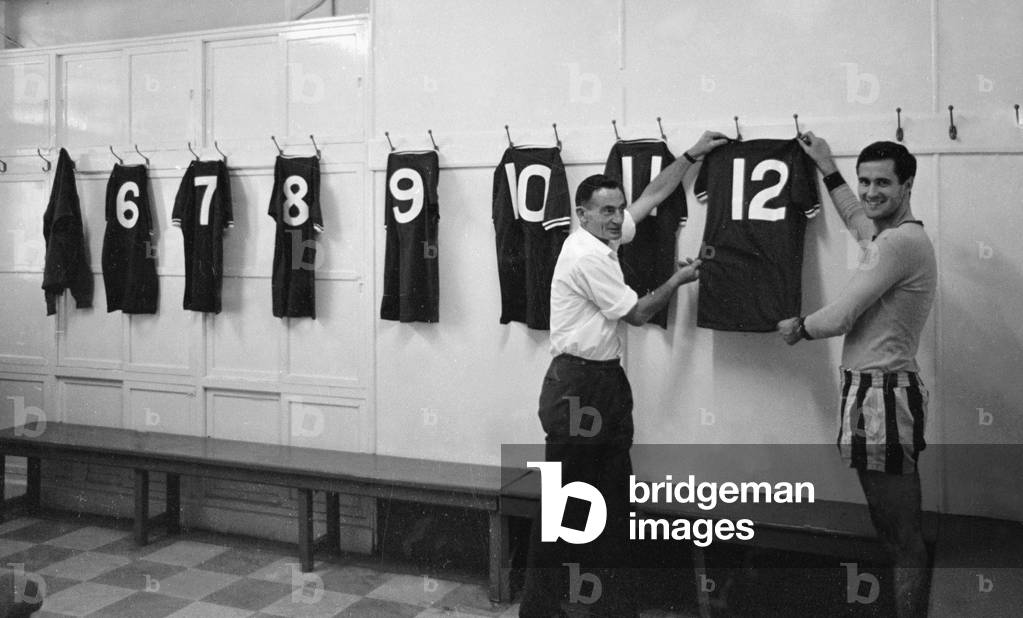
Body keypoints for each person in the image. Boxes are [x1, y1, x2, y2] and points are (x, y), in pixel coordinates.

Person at [520, 131, 730, 617]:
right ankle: (538, 610)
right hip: (577, 386)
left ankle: (611, 608)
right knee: (562, 504)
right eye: (608, 211)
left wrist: (693, 155)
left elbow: (654, 196)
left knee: (613, 499)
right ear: (583, 214)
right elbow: (636, 314)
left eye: (618, 209)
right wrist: (677, 279)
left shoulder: (605, 235)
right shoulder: (587, 254)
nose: (618, 218)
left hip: (602, 382)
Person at [778, 135, 936, 617]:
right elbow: (855, 217)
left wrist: (799, 327)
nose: (869, 191)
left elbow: (843, 315)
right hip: (870, 394)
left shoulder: (899, 243)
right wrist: (828, 167)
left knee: (902, 535)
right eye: (865, 180)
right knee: (887, 529)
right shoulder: (891, 237)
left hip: (883, 397)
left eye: (882, 182)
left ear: (907, 185)